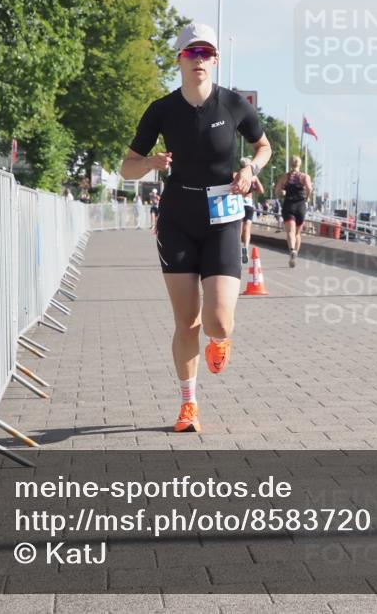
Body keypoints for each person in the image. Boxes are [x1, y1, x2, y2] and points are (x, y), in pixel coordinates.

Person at [120, 22, 271, 433]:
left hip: (224, 214)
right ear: (179, 60)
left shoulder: (234, 105)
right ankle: (189, 405)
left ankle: (221, 339)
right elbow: (126, 167)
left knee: (217, 320)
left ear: (216, 60)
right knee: (186, 321)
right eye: (191, 53)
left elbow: (263, 145)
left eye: (206, 53)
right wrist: (150, 163)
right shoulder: (162, 110)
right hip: (178, 218)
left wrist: (250, 167)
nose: (199, 59)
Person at [274, 156, 312, 267]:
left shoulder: (284, 177)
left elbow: (277, 191)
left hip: (289, 205)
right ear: (299, 164)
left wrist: (283, 193)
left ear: (290, 164)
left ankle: (291, 250)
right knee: (298, 233)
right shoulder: (304, 177)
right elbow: (309, 188)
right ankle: (296, 252)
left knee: (290, 232)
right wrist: (307, 197)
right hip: (300, 205)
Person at [240, 175, 265, 264]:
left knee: (239, 229)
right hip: (248, 205)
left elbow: (261, 191)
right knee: (247, 229)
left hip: (240, 205)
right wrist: (256, 179)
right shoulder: (251, 179)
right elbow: (261, 191)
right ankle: (245, 248)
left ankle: (241, 249)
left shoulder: (239, 176)